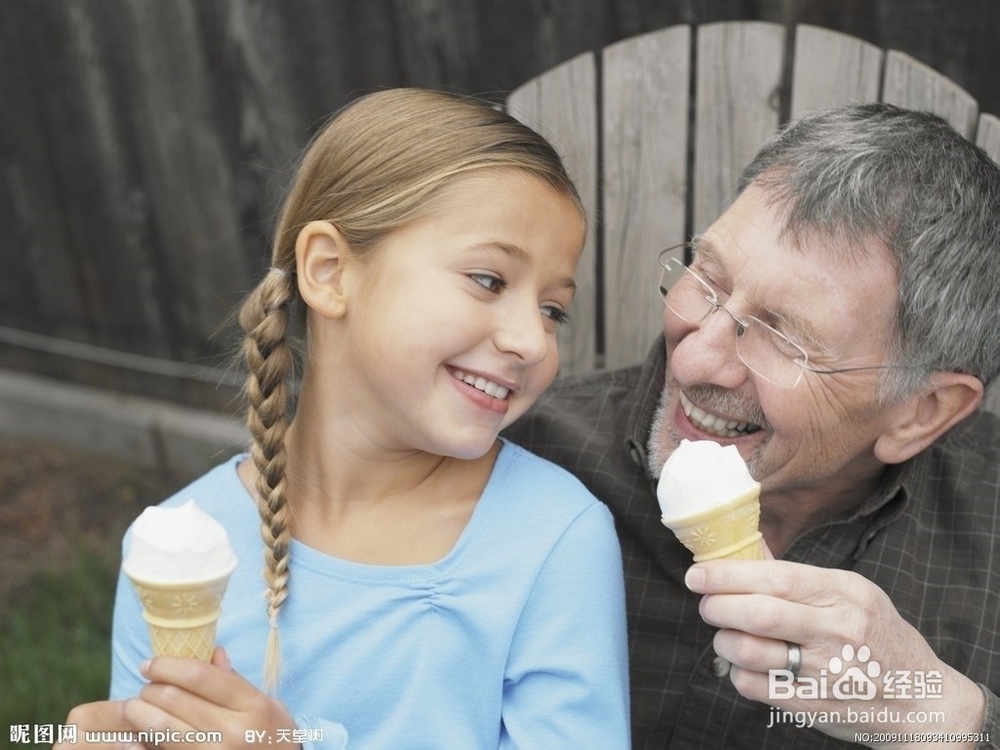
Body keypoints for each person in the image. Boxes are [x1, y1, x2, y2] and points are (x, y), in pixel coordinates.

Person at [56, 88, 630, 750]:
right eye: (489, 280)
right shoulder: (178, 554)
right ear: (328, 272)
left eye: (553, 310)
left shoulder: (554, 541)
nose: (533, 341)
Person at [505, 103, 1000, 748]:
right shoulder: (518, 455)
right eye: (707, 281)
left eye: (783, 338)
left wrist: (951, 717)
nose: (691, 358)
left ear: (920, 411)